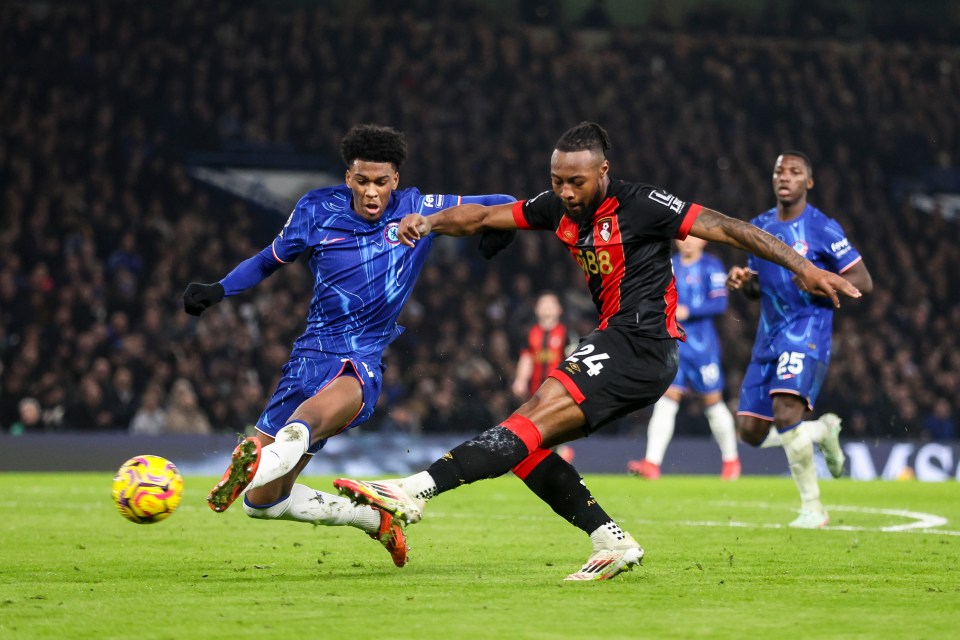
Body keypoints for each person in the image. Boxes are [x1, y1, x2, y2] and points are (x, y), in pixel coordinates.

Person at [330, 122, 860, 581]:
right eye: (557, 180)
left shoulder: (644, 205)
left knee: (528, 420)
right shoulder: (555, 207)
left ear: (604, 171)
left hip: (641, 342)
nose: (564, 191)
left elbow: (731, 229)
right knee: (525, 443)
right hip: (620, 342)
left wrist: (804, 267)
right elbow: (487, 218)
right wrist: (430, 222)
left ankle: (411, 492)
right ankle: (610, 540)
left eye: (576, 181)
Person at [183, 124, 515, 569]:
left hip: (359, 360)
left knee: (301, 428)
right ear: (348, 178)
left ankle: (255, 464)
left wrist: (502, 228)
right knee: (262, 503)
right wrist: (219, 289)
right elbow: (268, 260)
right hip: (307, 358)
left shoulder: (418, 209)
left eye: (381, 182)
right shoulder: (317, 209)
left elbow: (500, 204)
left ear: (396, 179)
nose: (372, 192)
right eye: (362, 181)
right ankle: (370, 518)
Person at [727, 150, 873, 529]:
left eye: (794, 172)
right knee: (750, 432)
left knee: (786, 414)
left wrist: (819, 283)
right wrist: (746, 284)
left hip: (806, 331)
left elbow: (862, 281)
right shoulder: (759, 226)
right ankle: (823, 431)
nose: (785, 177)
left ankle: (813, 508)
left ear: (808, 182)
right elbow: (760, 289)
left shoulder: (822, 228)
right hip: (768, 338)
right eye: (779, 171)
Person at [627, 235, 740, 480]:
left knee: (712, 402)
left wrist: (689, 311)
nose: (687, 241)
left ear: (704, 241)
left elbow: (720, 303)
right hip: (674, 344)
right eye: (683, 237)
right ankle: (651, 464)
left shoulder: (712, 266)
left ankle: (731, 461)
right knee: (667, 399)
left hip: (702, 347)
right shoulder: (669, 265)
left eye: (694, 237)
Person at [511, 290, 576, 463]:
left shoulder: (566, 332)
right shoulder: (530, 333)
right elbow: (526, 358)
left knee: (549, 424)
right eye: (543, 304)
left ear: (559, 309)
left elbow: (572, 358)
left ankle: (557, 453)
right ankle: (556, 454)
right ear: (536, 309)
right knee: (536, 424)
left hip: (558, 390)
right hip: (535, 390)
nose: (546, 308)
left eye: (550, 304)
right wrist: (520, 380)